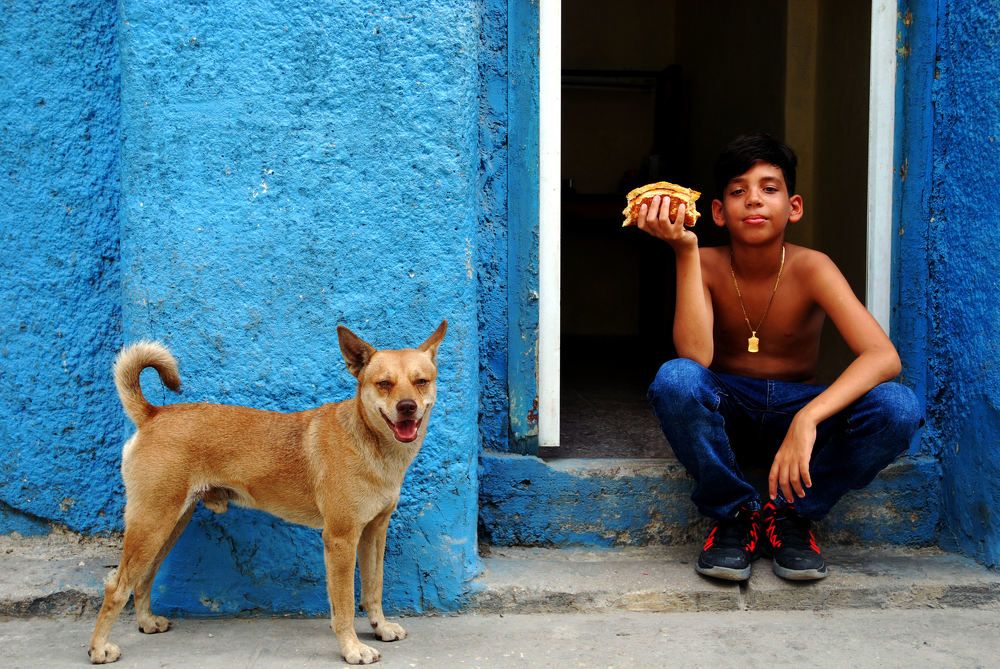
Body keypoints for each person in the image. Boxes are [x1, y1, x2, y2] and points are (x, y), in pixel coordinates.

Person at [642, 133, 922, 581]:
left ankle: (790, 514)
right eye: (738, 191)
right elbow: (696, 357)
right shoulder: (706, 262)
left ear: (794, 207)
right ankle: (735, 514)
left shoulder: (813, 267)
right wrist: (684, 250)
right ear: (717, 211)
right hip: (728, 410)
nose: (753, 200)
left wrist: (808, 419)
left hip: (799, 408)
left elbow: (883, 357)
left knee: (899, 407)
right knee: (676, 378)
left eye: (769, 189)